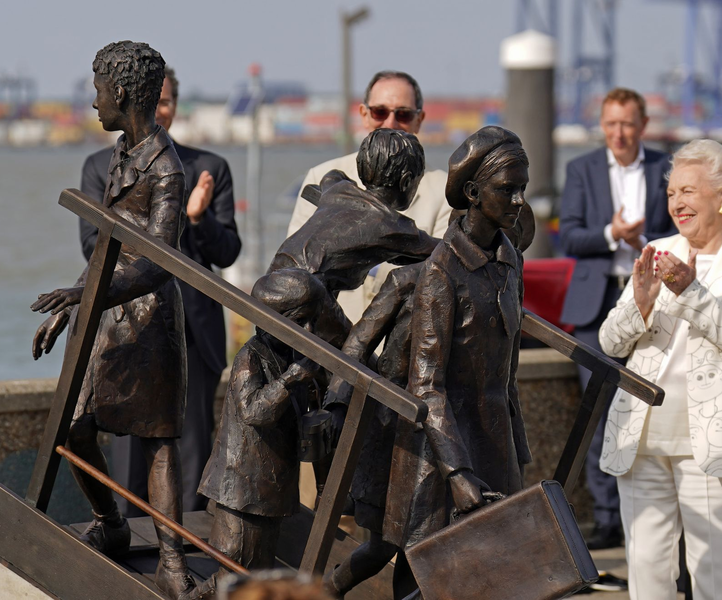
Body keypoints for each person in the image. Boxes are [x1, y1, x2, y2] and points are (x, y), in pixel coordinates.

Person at [31, 41, 195, 598]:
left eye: (98, 90)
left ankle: (172, 562)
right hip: (105, 307)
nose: (94, 101)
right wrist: (74, 301)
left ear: (121, 93)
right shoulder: (122, 153)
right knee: (75, 428)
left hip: (149, 318)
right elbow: (107, 243)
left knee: (158, 440)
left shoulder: (166, 168)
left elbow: (159, 262)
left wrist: (86, 295)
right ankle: (112, 524)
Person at [598, 139, 722, 600]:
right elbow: (609, 342)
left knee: (715, 577)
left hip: (714, 442)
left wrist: (691, 292)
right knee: (646, 573)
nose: (676, 203)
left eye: (688, 191)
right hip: (641, 439)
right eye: (671, 193)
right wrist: (640, 306)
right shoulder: (657, 250)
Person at [321, 204, 534, 600]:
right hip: (400, 425)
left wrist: (517, 448)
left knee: (442, 540)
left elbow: (506, 378)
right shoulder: (412, 279)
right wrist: (336, 404)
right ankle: (329, 588)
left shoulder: (502, 282)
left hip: (458, 427)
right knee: (395, 540)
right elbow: (357, 345)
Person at [79, 66, 242, 515]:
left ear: (171, 105)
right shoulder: (100, 166)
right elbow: (93, 245)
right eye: (157, 100)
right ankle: (126, 533)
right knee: (129, 455)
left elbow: (228, 252)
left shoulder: (209, 168)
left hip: (193, 328)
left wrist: (197, 218)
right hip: (125, 321)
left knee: (191, 449)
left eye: (167, 102)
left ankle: (185, 542)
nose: (161, 109)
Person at [382, 127, 532, 588]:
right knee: (427, 573)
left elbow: (508, 372)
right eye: (507, 189)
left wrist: (519, 450)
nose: (519, 201)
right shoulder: (442, 272)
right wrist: (458, 472)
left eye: (522, 188)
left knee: (498, 574)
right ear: (472, 193)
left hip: (496, 440)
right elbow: (426, 385)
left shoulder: (510, 260)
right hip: (444, 449)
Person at [558, 87, 675, 550]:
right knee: (598, 411)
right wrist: (612, 233)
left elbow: (681, 230)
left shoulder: (665, 166)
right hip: (597, 300)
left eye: (627, 123)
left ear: (643, 125)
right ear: (602, 126)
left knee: (651, 410)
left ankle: (651, 514)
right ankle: (608, 518)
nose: (619, 133)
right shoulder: (580, 168)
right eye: (611, 124)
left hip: (651, 299)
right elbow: (569, 236)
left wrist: (641, 240)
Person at [187, 270, 333, 600]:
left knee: (256, 573)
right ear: (272, 322)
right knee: (233, 571)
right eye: (300, 321)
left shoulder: (293, 357)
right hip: (241, 488)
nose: (309, 330)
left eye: (312, 321)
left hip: (270, 489)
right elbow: (254, 412)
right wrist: (291, 380)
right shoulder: (249, 358)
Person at [286, 70, 450, 325]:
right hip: (324, 333)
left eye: (403, 114)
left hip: (405, 336)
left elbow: (442, 271)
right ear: (364, 114)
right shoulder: (320, 175)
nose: (390, 123)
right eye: (379, 112)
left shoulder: (444, 190)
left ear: (419, 120)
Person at [268, 128, 439, 349]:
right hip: (305, 294)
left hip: (269, 283)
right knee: (357, 360)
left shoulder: (338, 188)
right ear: (406, 182)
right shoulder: (394, 226)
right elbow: (441, 249)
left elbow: (332, 175)